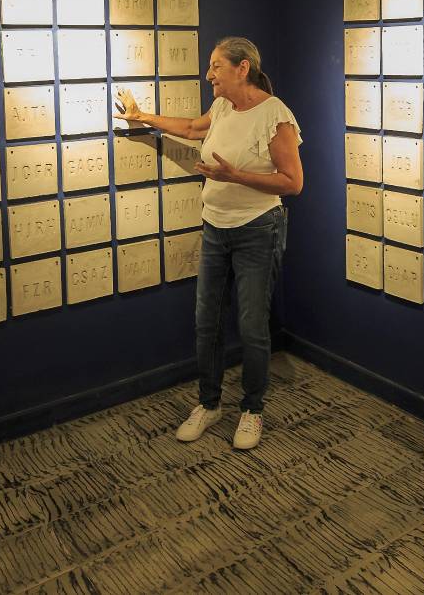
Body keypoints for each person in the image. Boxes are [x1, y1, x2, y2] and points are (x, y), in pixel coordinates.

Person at [113, 36, 303, 450]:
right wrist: (141, 116)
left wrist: (236, 177)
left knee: (252, 327)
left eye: (216, 66)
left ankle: (252, 409)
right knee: (207, 323)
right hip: (214, 228)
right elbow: (190, 128)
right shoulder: (221, 108)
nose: (208, 74)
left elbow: (293, 182)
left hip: (258, 229)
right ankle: (209, 403)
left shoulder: (276, 115)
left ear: (242, 68)